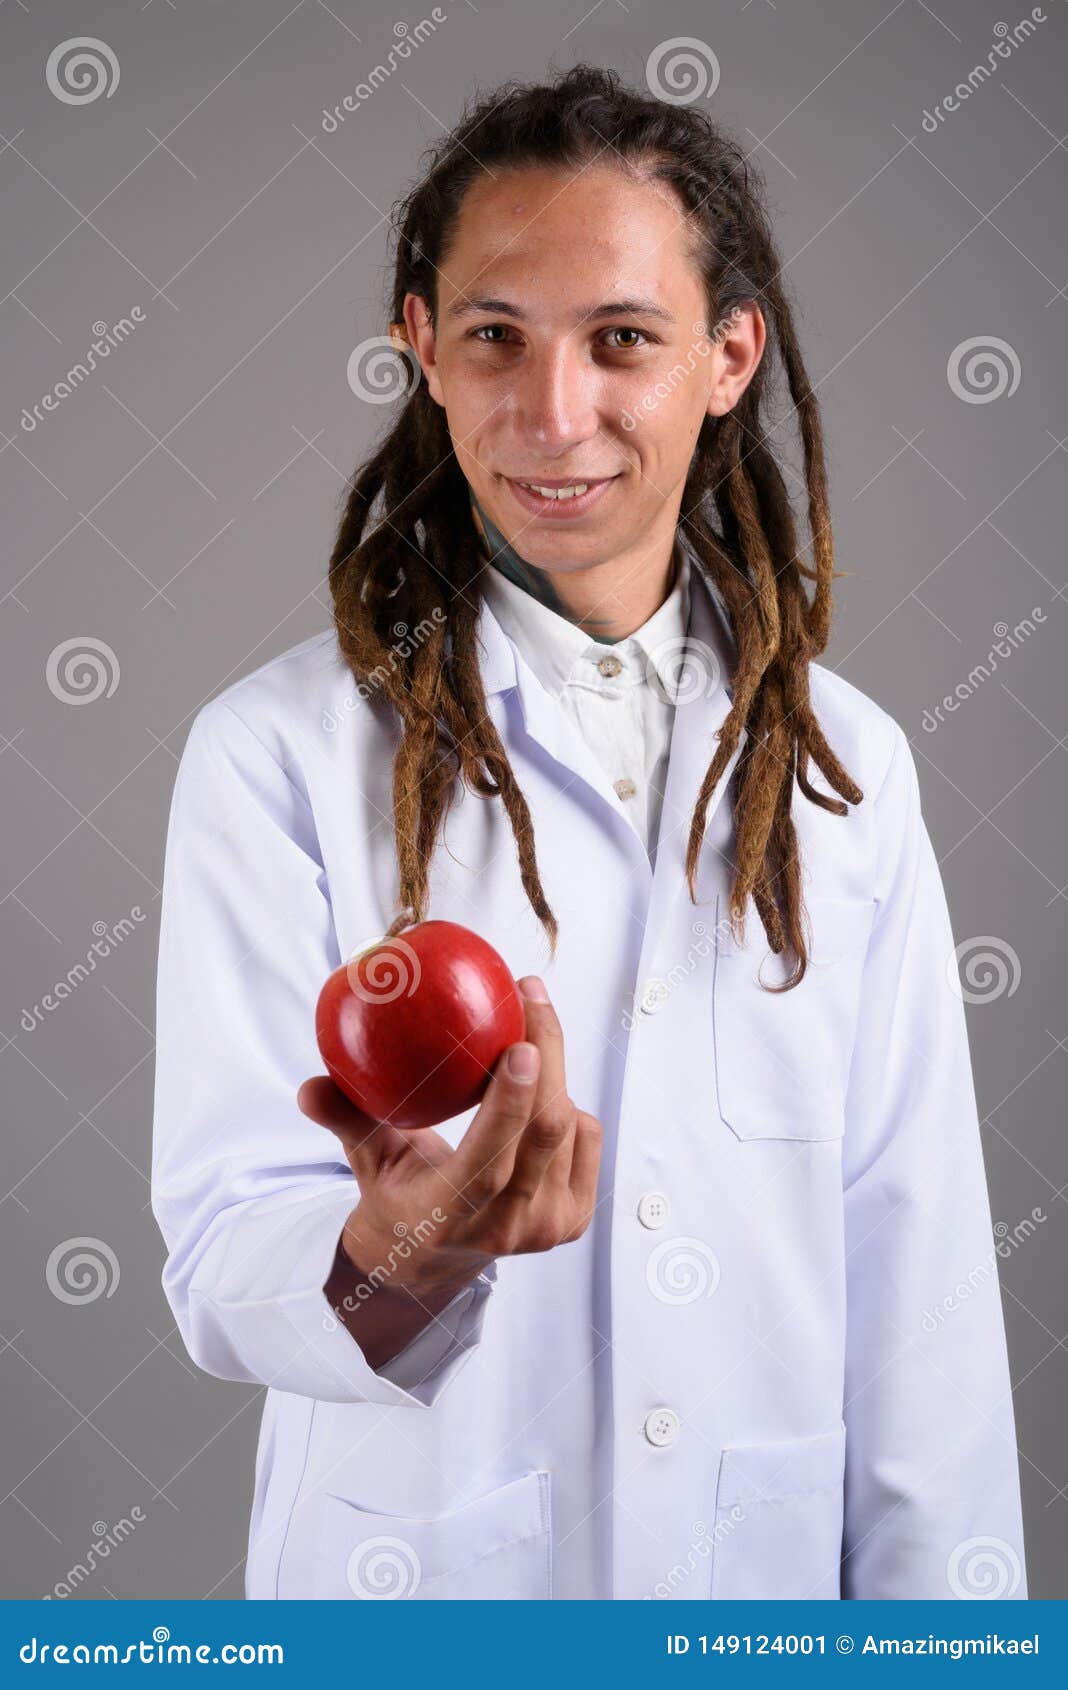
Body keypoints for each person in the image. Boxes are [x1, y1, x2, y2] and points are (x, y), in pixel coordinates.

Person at [151, 64, 1027, 1601]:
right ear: (421, 345)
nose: (556, 415)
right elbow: (226, 1250)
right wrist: (395, 1255)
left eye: (624, 339)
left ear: (727, 356)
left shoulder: (846, 770)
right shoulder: (275, 756)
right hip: (413, 1600)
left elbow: (924, 1303)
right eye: (496, 336)